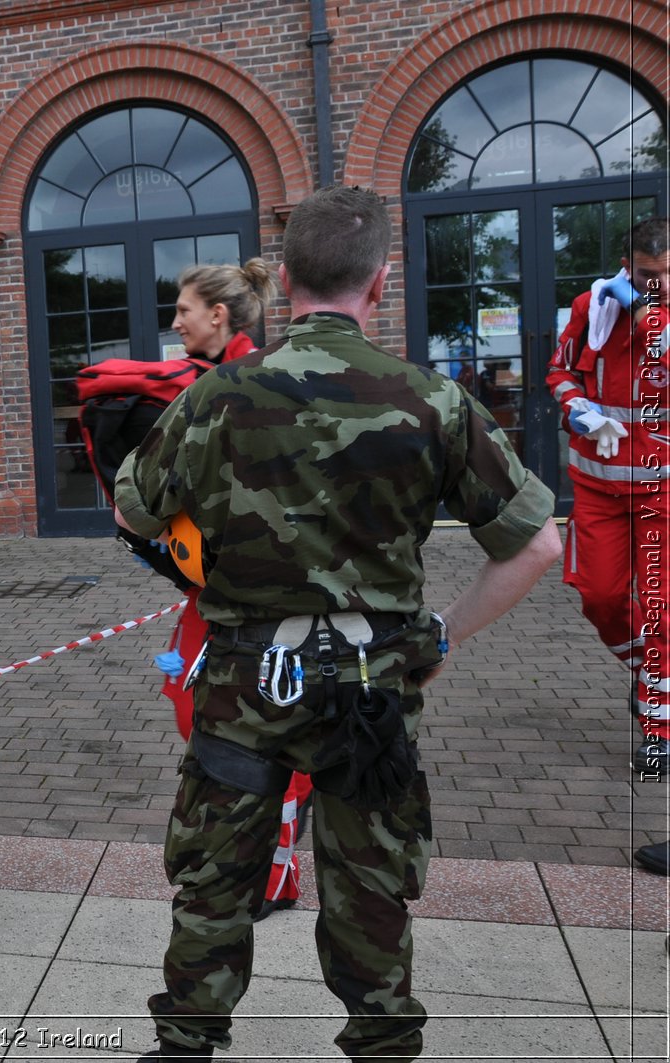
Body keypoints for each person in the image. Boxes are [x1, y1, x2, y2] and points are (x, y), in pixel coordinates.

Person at [115, 185, 561, 1061]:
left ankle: (186, 1042)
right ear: (381, 283)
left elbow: (134, 510)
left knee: (213, 883)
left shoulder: (219, 397)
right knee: (370, 889)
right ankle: (382, 1041)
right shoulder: (432, 400)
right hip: (375, 691)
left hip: (245, 684)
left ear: (283, 282)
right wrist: (441, 636)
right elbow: (538, 544)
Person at [152, 259, 313, 920]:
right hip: (213, 593)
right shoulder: (204, 385)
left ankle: (276, 875)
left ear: (218, 316)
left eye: (184, 309)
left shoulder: (251, 385)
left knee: (262, 735)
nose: (175, 321)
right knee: (199, 718)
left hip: (263, 600)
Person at [546, 216, 669, 774]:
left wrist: (644, 314)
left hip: (662, 494)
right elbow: (562, 370)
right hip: (597, 488)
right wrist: (579, 409)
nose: (656, 285)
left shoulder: (647, 313)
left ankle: (657, 726)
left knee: (661, 618)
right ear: (627, 266)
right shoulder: (591, 308)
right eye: (646, 275)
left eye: (667, 276)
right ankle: (651, 681)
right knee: (599, 598)